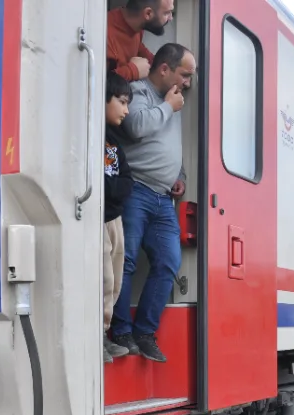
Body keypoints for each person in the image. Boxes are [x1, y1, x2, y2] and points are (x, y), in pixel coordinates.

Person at [110, 43, 196, 363]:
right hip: (136, 190)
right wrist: (168, 108)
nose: (188, 82)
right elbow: (135, 127)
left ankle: (145, 332)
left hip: (162, 198)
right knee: (126, 261)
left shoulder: (173, 102)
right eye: (184, 74)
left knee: (168, 262)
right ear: (164, 69)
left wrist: (181, 175)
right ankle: (120, 332)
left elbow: (171, 147)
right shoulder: (139, 92)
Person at [102, 71, 134, 364]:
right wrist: (114, 189)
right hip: (98, 221)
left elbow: (126, 180)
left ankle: (104, 333)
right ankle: (96, 336)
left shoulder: (113, 143)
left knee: (115, 278)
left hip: (115, 220)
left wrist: (113, 189)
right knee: (103, 278)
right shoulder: (92, 137)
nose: (126, 110)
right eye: (122, 102)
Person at [106, 0, 175, 82]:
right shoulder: (106, 34)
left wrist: (166, 67)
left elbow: (138, 48)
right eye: (167, 13)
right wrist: (133, 71)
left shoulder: (135, 26)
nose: (171, 18)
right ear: (148, 13)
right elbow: (99, 82)